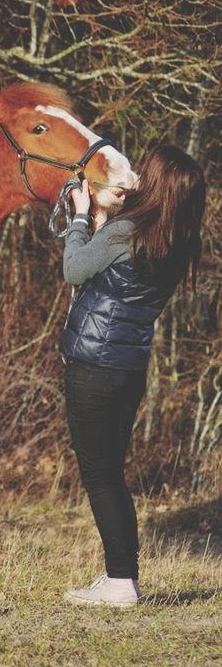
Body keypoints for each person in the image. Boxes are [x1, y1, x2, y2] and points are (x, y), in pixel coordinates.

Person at [61, 144, 206, 608]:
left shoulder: (127, 230)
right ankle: (122, 576)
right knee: (111, 474)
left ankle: (121, 581)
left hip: (92, 365)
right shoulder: (178, 239)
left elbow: (74, 269)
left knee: (100, 476)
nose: (137, 175)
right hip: (128, 368)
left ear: (159, 185)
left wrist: (80, 217)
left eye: (146, 172)